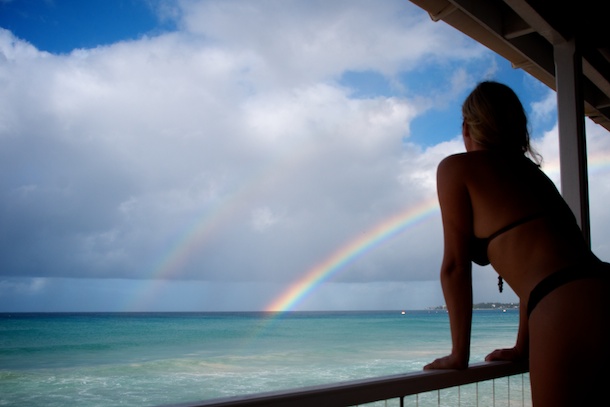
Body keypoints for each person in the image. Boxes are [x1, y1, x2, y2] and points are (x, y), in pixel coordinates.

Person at [423, 81, 610, 406]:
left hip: (563, 302)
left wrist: (459, 354)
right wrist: (522, 347)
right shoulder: (535, 176)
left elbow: (455, 266)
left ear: (468, 128)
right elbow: (541, 266)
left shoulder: (456, 169)